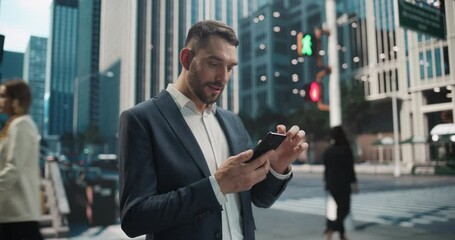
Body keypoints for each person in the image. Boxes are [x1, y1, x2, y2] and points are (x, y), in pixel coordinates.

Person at [118, 20, 308, 240]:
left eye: (230, 68)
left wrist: (278, 167)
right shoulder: (141, 120)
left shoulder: (232, 122)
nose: (223, 77)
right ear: (187, 59)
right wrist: (216, 186)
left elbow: (258, 198)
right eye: (214, 64)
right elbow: (134, 218)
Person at [0, 80, 43, 240]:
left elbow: (13, 167)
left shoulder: (22, 125)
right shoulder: (11, 125)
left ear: (16, 99)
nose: (0, 100)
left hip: (18, 214)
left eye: (3, 96)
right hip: (10, 212)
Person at [323, 126, 358, 240]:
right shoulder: (346, 149)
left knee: (340, 209)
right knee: (345, 209)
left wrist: (327, 184)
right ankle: (331, 228)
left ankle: (342, 235)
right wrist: (354, 182)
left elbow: (326, 170)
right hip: (344, 184)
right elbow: (350, 168)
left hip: (332, 185)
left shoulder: (328, 151)